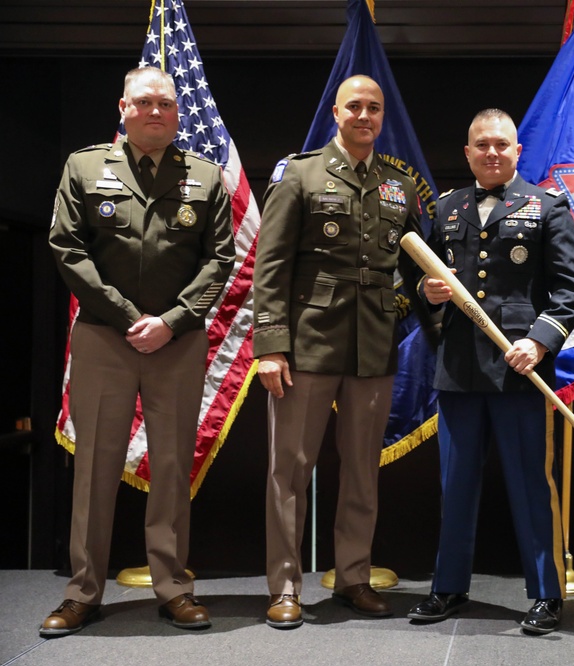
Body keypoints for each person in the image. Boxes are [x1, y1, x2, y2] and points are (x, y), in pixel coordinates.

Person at [43, 67, 235, 636]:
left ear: (179, 114)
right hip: (106, 335)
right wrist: (130, 318)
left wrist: (171, 321)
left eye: (167, 105)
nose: (157, 112)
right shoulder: (84, 166)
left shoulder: (204, 176)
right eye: (145, 102)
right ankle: (82, 593)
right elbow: (67, 247)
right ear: (122, 108)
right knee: (95, 466)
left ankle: (174, 587)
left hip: (177, 340)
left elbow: (220, 260)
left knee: (174, 466)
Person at [406, 109, 574, 634]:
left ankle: (546, 595)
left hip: (519, 370)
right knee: (455, 482)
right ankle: (448, 587)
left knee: (531, 483)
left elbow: (570, 291)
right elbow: (423, 287)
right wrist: (428, 293)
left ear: (517, 151)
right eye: (481, 145)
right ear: (467, 153)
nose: (491, 153)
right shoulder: (446, 208)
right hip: (459, 370)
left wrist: (539, 341)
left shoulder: (547, 206)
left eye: (501, 145)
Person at [253, 74, 422, 629]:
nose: (365, 116)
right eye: (356, 106)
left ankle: (353, 577)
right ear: (335, 111)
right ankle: (284, 586)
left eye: (374, 108)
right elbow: (271, 265)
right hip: (307, 345)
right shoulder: (299, 174)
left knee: (361, 474)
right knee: (290, 471)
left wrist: (411, 302)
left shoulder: (399, 184)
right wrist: (271, 346)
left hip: (372, 347)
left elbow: (418, 264)